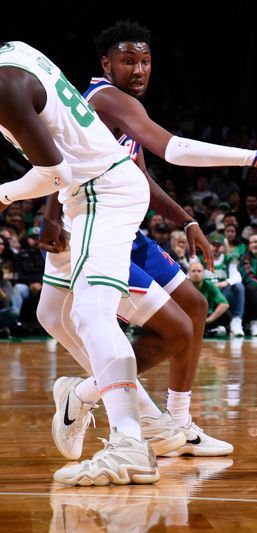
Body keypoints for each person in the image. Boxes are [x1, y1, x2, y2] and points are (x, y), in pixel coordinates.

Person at [42, 21, 257, 460]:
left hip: (129, 232)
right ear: (107, 64)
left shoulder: (121, 110)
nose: (139, 69)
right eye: (129, 61)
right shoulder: (103, 99)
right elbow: (172, 149)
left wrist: (187, 221)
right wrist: (256, 158)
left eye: (145, 61)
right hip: (98, 232)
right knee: (175, 329)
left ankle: (179, 420)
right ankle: (84, 393)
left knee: (197, 307)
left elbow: (140, 178)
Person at [0, 40, 158, 485]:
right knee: (54, 313)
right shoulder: (15, 50)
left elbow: (55, 174)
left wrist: (3, 194)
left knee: (92, 316)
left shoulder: (4, 85)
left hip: (98, 189)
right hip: (97, 187)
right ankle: (94, 406)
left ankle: (132, 442)